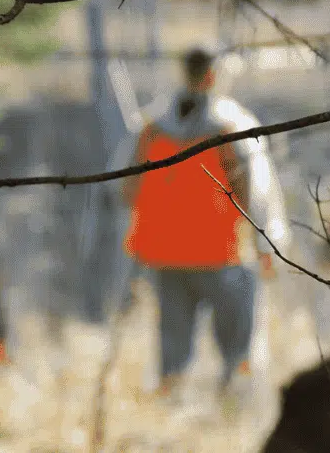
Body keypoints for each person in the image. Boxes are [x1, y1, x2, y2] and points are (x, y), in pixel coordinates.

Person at [118, 46, 281, 400]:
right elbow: (260, 194)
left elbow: (126, 193)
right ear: (214, 74)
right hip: (223, 255)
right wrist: (268, 246)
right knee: (238, 352)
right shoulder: (232, 126)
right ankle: (233, 416)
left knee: (173, 355)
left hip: (166, 256)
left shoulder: (149, 128)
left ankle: (172, 419)